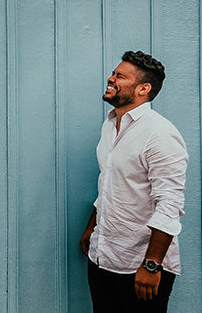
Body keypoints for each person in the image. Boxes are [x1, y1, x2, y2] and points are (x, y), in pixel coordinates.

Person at [80, 51, 188, 312]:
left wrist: (152, 265)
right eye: (113, 73)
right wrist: (92, 228)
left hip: (140, 265)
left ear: (143, 88)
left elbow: (170, 203)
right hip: (103, 256)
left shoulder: (159, 134)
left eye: (120, 76)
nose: (111, 79)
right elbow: (110, 183)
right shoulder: (110, 125)